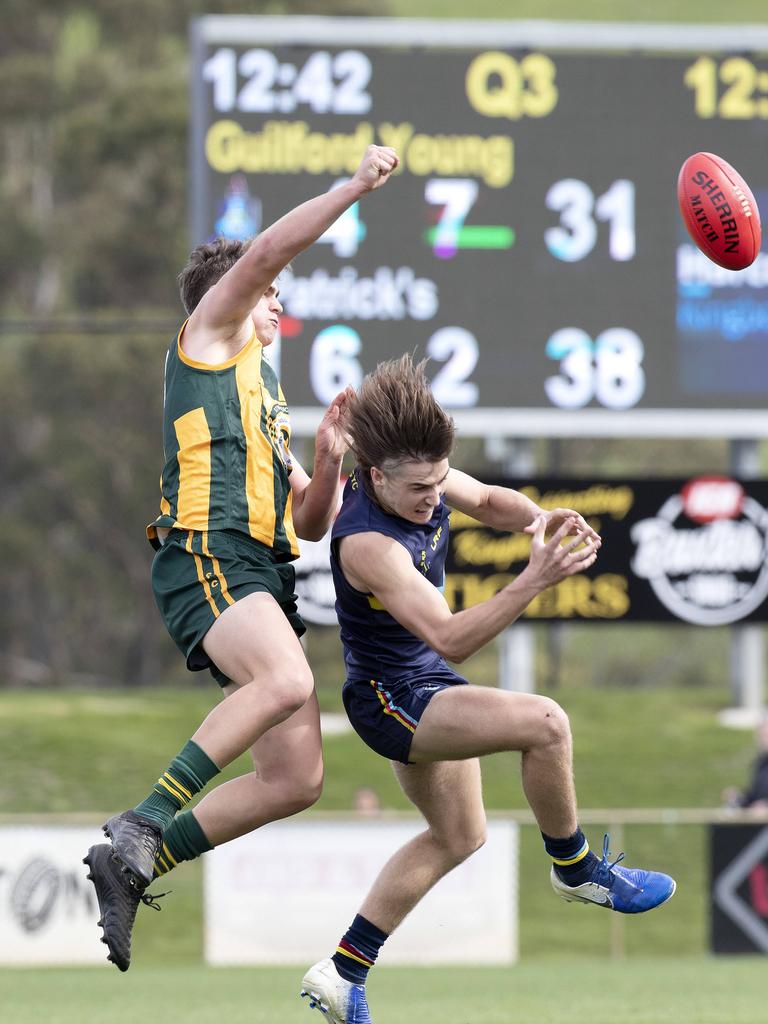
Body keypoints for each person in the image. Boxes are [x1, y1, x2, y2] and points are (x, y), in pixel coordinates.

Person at [83, 145, 400, 972]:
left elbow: (312, 519)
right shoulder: (209, 336)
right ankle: (144, 820)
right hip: (206, 555)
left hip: (261, 574)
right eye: (274, 296)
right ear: (244, 296)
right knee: (290, 682)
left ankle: (132, 862)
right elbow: (263, 254)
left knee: (295, 778)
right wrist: (355, 187)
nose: (278, 306)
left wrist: (328, 459)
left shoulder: (266, 395)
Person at [299, 355, 676, 1024]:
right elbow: (451, 638)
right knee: (547, 723)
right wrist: (534, 577)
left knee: (459, 836)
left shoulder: (426, 478)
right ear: (375, 476)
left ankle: (342, 970)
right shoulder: (369, 545)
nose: (434, 498)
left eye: (440, 482)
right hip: (391, 699)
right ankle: (577, 867)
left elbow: (490, 502)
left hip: (424, 682)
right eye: (419, 490)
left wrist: (538, 519)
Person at [722, 714, 768, 811]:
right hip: (755, 818)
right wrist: (738, 798)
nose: (760, 739)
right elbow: (753, 798)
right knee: (717, 824)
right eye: (759, 734)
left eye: (764, 735)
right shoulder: (761, 764)